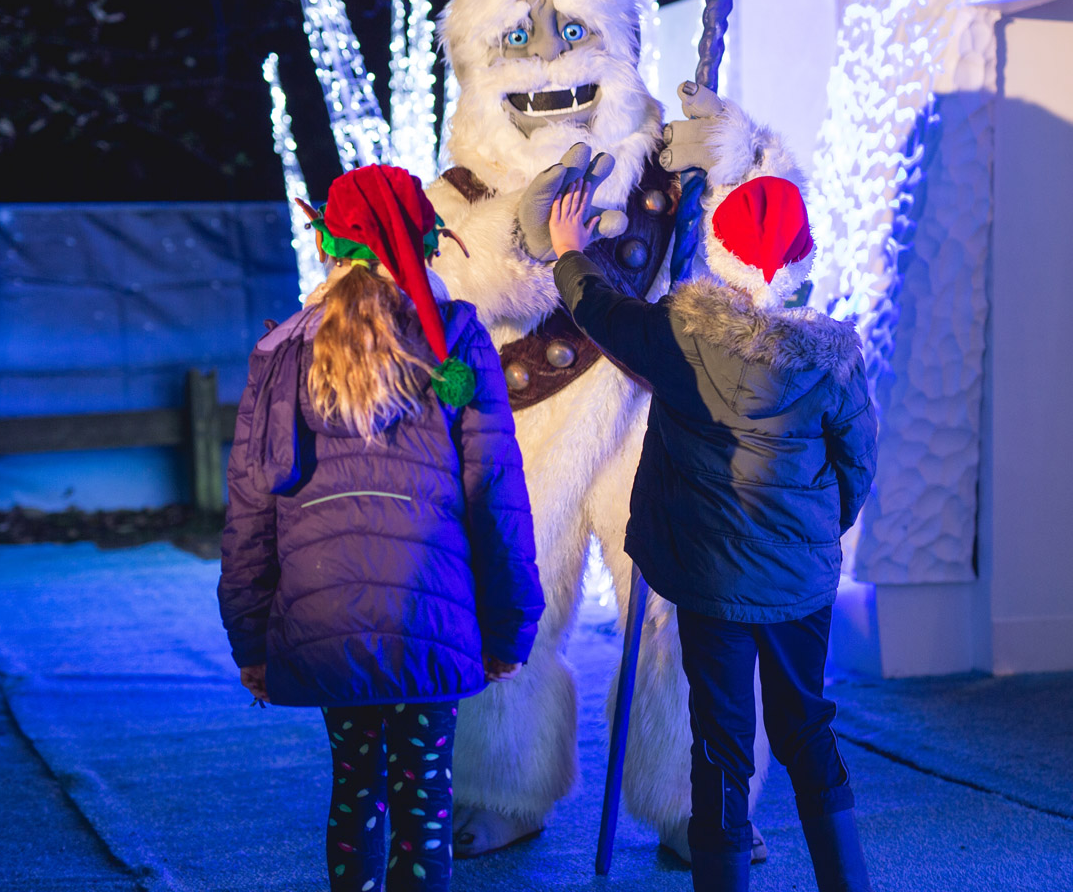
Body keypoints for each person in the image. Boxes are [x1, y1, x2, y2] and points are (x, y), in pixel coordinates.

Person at [548, 158, 878, 892]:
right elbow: (858, 468)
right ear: (802, 259)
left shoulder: (679, 334)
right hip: (798, 581)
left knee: (721, 746)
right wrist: (813, 537)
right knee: (807, 727)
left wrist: (569, 251)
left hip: (708, 581)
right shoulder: (836, 358)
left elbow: (600, 312)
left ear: (721, 256)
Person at [218, 163, 545, 892]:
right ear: (424, 239)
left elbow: (250, 508)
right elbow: (495, 495)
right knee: (424, 801)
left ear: (330, 245)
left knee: (355, 786)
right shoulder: (454, 340)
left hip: (323, 612)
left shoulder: (281, 357)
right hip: (429, 611)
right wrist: (508, 627)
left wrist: (250, 635)